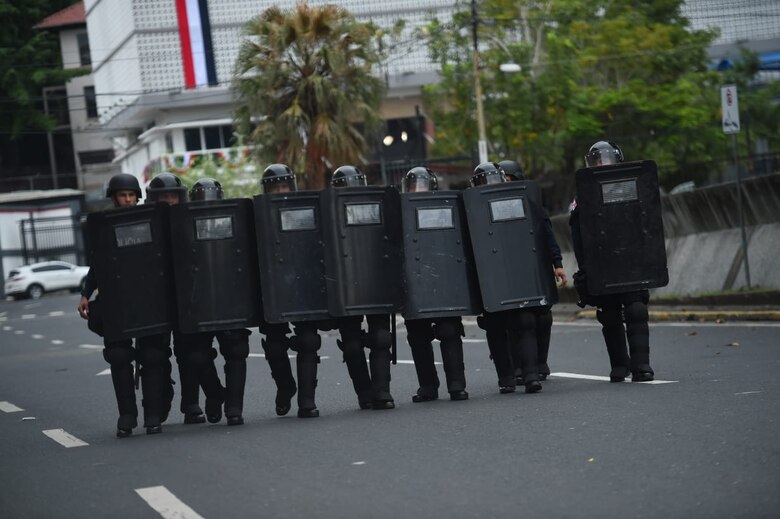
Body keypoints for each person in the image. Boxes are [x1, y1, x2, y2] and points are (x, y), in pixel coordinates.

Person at [78, 173, 169, 436]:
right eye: (122, 195)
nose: (127, 200)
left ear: (137, 197)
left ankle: (153, 416)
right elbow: (98, 264)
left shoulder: (151, 220)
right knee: (118, 357)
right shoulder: (104, 225)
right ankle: (127, 416)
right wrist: (86, 292)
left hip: (149, 299)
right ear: (114, 198)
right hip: (116, 301)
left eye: (131, 195)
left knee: (152, 356)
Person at [569, 141, 654, 382]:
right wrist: (585, 268)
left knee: (636, 309)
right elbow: (578, 233)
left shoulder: (632, 184)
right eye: (596, 160)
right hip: (602, 264)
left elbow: (648, 221)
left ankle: (642, 365)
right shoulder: (583, 194)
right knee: (609, 314)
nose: (601, 163)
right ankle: (619, 365)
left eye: (605, 158)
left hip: (631, 260)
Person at [146, 172, 224, 425]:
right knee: (155, 355)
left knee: (191, 353)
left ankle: (196, 402)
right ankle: (163, 402)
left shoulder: (192, 220)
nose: (168, 202)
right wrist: (87, 290)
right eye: (162, 198)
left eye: (172, 197)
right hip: (155, 299)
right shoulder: (143, 222)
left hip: (189, 296)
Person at [176, 178, 249, 425]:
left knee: (236, 351)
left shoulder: (234, 217)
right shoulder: (182, 222)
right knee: (197, 355)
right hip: (198, 302)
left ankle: (234, 408)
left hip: (230, 299)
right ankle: (217, 394)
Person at [470, 162, 542, 394]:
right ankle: (512, 377)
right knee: (501, 326)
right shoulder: (470, 204)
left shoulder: (517, 196)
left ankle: (524, 375)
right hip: (497, 275)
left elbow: (539, 230)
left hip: (514, 272)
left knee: (521, 322)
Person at [257, 164, 320, 418]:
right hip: (272, 288)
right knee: (273, 346)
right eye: (275, 187)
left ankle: (307, 401)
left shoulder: (307, 210)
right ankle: (285, 387)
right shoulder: (259, 213)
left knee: (307, 341)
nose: (280, 191)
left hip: (303, 285)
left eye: (284, 186)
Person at [330, 165, 395, 410]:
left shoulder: (376, 203)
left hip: (374, 279)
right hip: (345, 284)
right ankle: (364, 392)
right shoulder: (329, 210)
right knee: (352, 343)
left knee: (380, 336)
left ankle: (382, 390)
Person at [402, 166, 468, 402]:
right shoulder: (400, 210)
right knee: (418, 336)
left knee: (449, 331)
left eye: (422, 185)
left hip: (445, 278)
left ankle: (456, 385)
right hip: (415, 280)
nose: (418, 190)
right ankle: (428, 386)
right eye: (413, 186)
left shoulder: (448, 205)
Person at [498, 160, 567, 382]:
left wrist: (557, 264)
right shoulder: (491, 207)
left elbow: (547, 234)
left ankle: (540, 362)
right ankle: (518, 366)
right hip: (508, 270)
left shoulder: (532, 203)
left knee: (542, 317)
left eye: (507, 179)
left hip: (535, 268)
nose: (504, 184)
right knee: (516, 319)